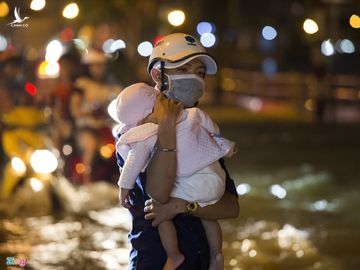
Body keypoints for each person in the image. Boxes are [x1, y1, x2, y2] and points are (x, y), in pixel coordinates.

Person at [115, 33, 239, 270]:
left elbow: (231, 206)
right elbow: (159, 193)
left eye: (200, 72)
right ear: (157, 75)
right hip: (155, 262)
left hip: (200, 262)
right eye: (183, 69)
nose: (194, 78)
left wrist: (185, 206)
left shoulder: (199, 130)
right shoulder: (134, 135)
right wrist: (167, 129)